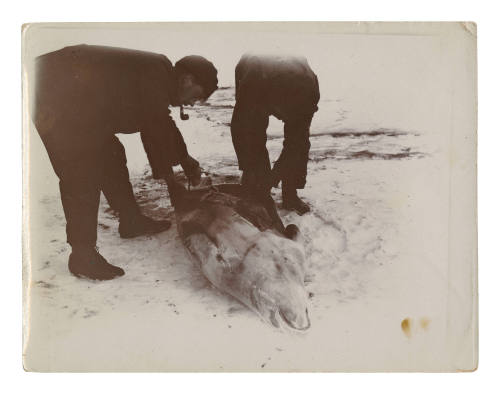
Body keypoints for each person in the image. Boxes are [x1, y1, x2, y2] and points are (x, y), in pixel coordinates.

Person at [32, 44, 218, 280]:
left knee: (110, 152)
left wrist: (184, 159)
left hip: (78, 102)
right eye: (199, 96)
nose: (193, 103)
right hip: (51, 93)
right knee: (81, 171)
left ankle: (131, 219)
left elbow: (159, 122)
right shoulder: (156, 74)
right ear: (188, 80)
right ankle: (82, 255)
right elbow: (155, 130)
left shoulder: (158, 76)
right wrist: (173, 181)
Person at [231, 53, 320, 215]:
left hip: (287, 82)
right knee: (253, 132)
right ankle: (256, 181)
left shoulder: (309, 93)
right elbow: (239, 127)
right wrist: (249, 167)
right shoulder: (254, 83)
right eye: (281, 112)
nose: (281, 118)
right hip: (253, 71)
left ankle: (290, 194)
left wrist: (275, 176)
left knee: (300, 141)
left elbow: (297, 144)